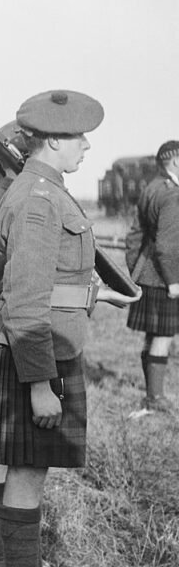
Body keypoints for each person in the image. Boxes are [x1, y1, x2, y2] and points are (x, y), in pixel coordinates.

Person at [0, 91, 139, 567]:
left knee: (32, 475)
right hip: (35, 357)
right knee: (25, 477)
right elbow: (23, 299)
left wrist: (98, 296)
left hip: (45, 347)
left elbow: (54, 279)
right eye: (78, 137)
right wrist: (40, 385)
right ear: (50, 140)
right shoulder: (40, 200)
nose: (87, 146)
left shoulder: (40, 191)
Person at [125, 139, 179, 417]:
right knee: (163, 336)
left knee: (152, 337)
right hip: (164, 278)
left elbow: (135, 235)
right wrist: (173, 281)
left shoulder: (151, 188)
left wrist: (135, 269)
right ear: (176, 162)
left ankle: (151, 394)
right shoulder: (173, 194)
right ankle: (155, 399)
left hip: (148, 275)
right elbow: (167, 246)